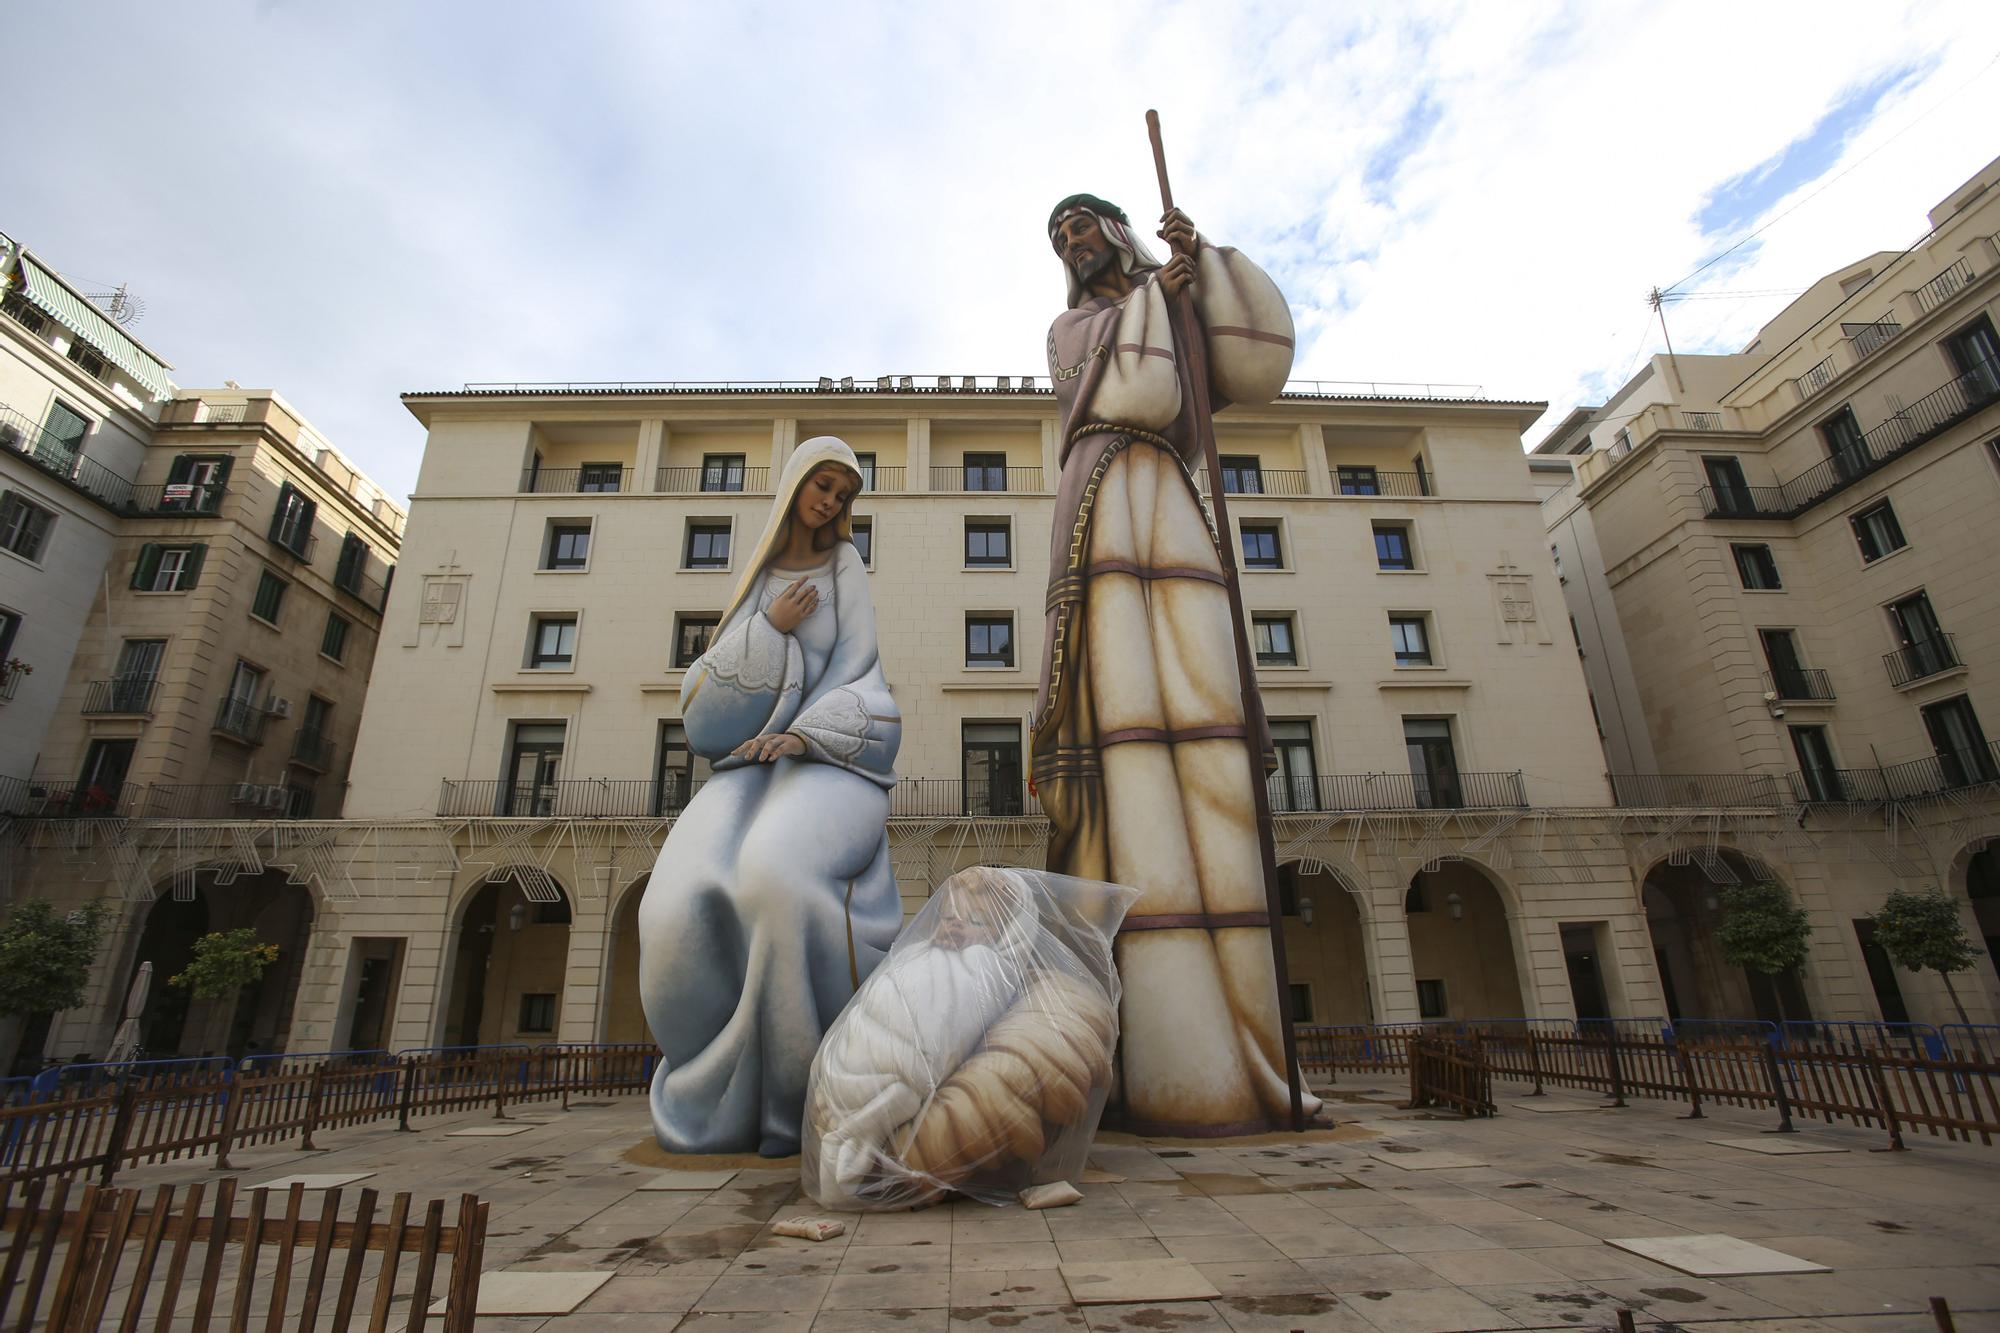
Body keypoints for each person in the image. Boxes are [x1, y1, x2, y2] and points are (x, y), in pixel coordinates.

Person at [1034, 194, 1321, 1134]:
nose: (1078, 242)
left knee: (1209, 726)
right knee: (1130, 738)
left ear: (1118, 230)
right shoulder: (1074, 326)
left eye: (1088, 225)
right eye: (1062, 236)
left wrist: (1205, 262)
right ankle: (1163, 1059)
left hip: (1173, 495)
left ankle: (1254, 1060)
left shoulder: (1166, 296)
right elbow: (1135, 388)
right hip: (1107, 494)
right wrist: (1167, 294)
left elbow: (1255, 365)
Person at [638, 436, 902, 1157]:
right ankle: (710, 1074)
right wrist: (769, 627)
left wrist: (805, 735)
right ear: (795, 486)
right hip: (746, 765)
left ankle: (796, 1094)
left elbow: (859, 667)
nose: (831, 502)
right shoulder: (758, 580)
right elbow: (702, 707)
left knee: (773, 875)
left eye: (843, 494)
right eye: (823, 485)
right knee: (676, 897)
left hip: (827, 754)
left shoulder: (844, 564)